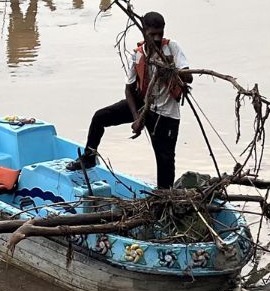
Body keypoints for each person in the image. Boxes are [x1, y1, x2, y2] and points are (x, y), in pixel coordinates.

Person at [69, 11, 192, 189]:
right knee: (100, 117)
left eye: (160, 34)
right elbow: (129, 88)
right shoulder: (138, 54)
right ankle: (88, 157)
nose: (157, 39)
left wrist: (172, 69)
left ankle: (164, 197)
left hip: (166, 114)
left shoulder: (172, 48)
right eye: (152, 35)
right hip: (143, 105)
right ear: (144, 31)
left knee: (164, 160)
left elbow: (189, 78)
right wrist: (136, 117)